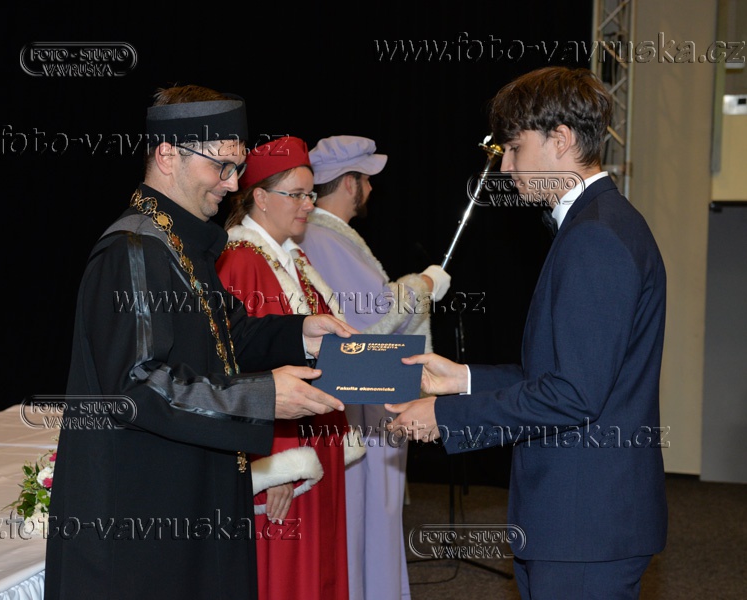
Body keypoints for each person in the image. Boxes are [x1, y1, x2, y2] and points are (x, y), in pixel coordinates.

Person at [44, 86, 358, 600]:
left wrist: (300, 334)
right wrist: (261, 397)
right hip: (145, 512)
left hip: (192, 492)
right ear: (168, 156)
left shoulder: (183, 243)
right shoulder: (133, 248)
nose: (233, 184)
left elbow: (229, 336)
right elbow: (138, 386)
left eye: (238, 167)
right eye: (222, 166)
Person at [386, 66, 667, 599]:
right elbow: (567, 376)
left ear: (560, 140)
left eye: (514, 148)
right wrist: (464, 379)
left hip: (583, 523)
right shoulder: (598, 224)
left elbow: (574, 395)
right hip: (580, 516)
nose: (505, 167)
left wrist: (445, 417)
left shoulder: (596, 237)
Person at [297, 135, 451, 600]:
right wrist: (424, 283)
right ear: (349, 182)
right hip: (360, 399)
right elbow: (377, 315)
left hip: (358, 394)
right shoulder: (323, 236)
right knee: (366, 511)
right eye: (366, 179)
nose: (371, 189)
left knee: (364, 511)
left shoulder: (325, 236)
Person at [216, 136, 365, 600]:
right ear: (260, 197)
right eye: (296, 194)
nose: (309, 205)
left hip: (317, 442)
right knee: (287, 577)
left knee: (320, 570)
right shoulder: (240, 261)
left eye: (310, 193)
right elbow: (239, 369)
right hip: (287, 454)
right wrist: (275, 465)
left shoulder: (294, 260)